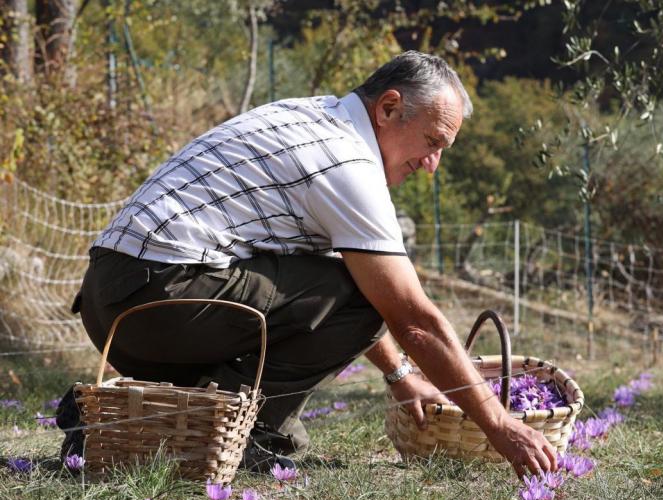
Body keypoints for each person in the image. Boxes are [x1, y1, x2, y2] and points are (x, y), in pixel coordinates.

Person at [58, 51, 557, 477]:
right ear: (389, 108)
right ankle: (248, 436)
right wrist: (500, 425)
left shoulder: (309, 117)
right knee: (365, 295)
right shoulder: (347, 163)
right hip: (163, 302)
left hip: (111, 303)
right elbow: (411, 317)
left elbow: (342, 289)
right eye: (432, 143)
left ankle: (127, 427)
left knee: (346, 286)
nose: (432, 164)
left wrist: (401, 375)